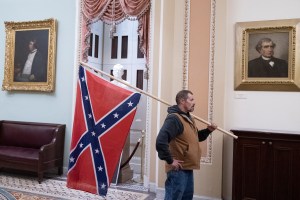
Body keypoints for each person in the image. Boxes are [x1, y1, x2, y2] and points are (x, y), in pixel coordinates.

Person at [156, 90, 217, 200]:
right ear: (182, 101)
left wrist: (208, 130)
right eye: (191, 99)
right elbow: (160, 142)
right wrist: (170, 160)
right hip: (177, 169)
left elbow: (195, 137)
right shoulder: (174, 119)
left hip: (188, 167)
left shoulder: (188, 118)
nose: (194, 102)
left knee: (186, 197)